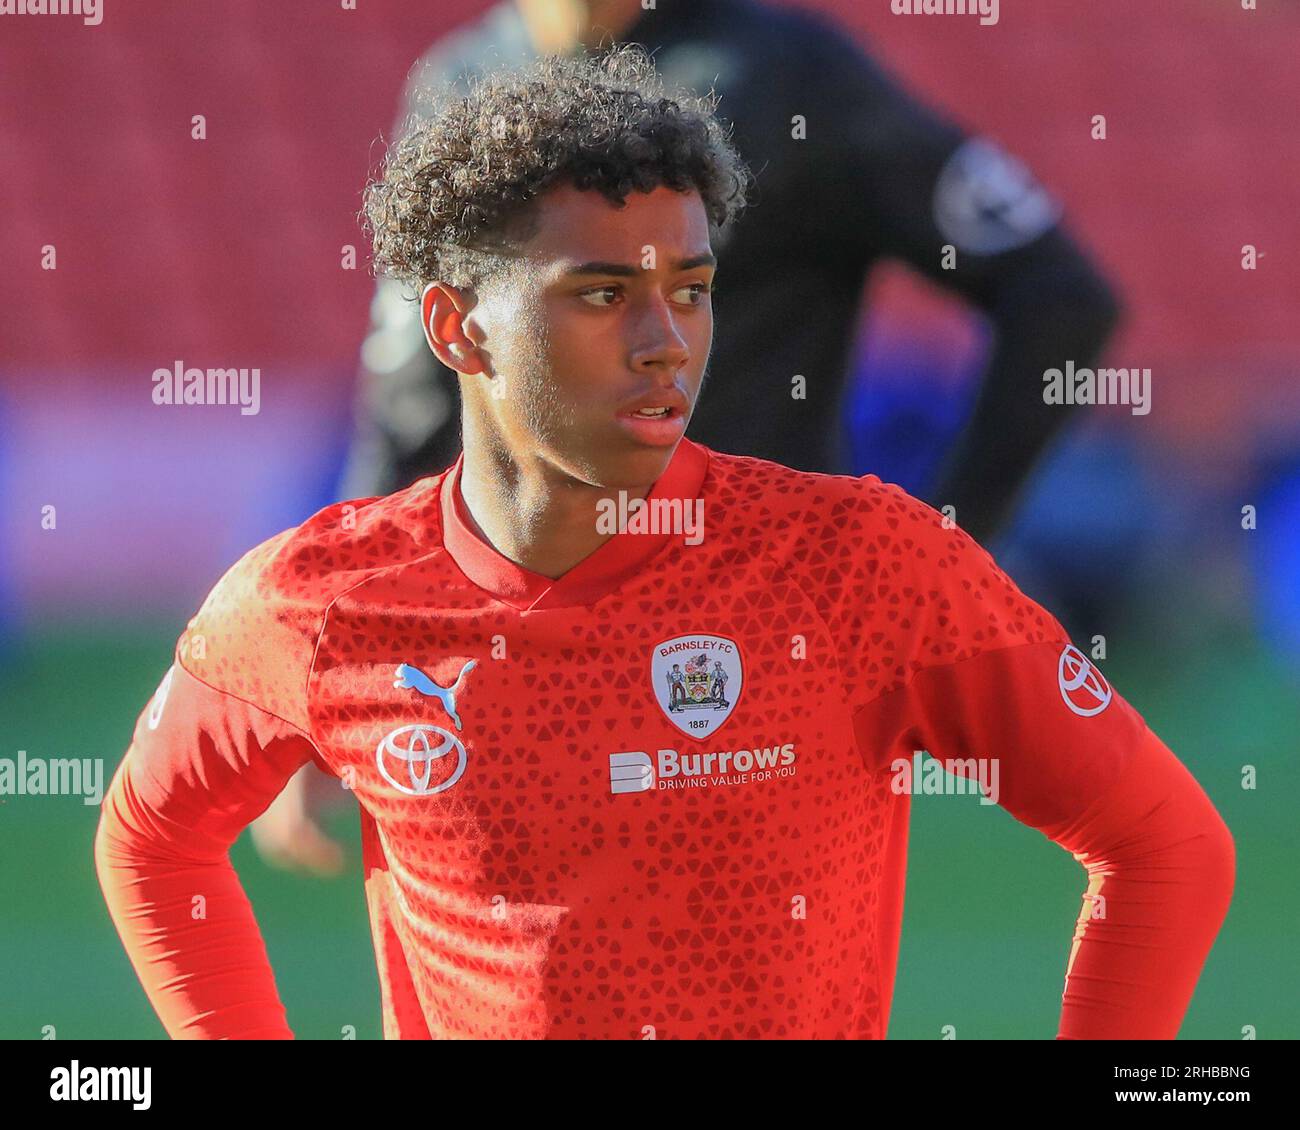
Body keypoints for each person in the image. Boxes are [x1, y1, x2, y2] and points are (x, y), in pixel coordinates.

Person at [97, 49, 1229, 1040]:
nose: (664, 343)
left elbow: (1164, 845)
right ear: (455, 326)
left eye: (689, 290)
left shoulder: (862, 562)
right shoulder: (320, 598)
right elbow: (150, 835)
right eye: (600, 293)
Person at [258, 0, 1121, 875]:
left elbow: (1060, 298)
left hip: (756, 656)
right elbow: (410, 396)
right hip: (516, 666)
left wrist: (941, 559)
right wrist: (338, 667)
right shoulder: (459, 80)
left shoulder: (791, 74)